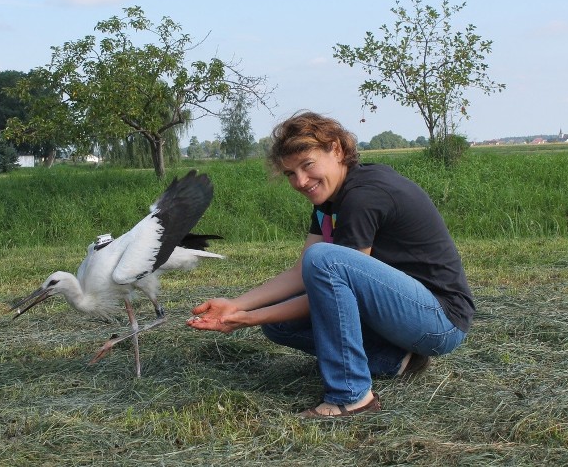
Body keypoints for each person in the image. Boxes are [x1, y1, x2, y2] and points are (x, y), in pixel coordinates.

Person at [187, 111, 474, 418]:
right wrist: (236, 305)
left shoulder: (363, 196)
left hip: (440, 320)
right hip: (403, 315)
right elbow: (300, 273)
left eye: (307, 165)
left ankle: (351, 396)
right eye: (290, 173)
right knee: (279, 321)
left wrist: (248, 318)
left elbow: (332, 281)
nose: (300, 181)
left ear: (336, 149)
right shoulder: (328, 201)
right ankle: (395, 359)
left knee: (324, 259)